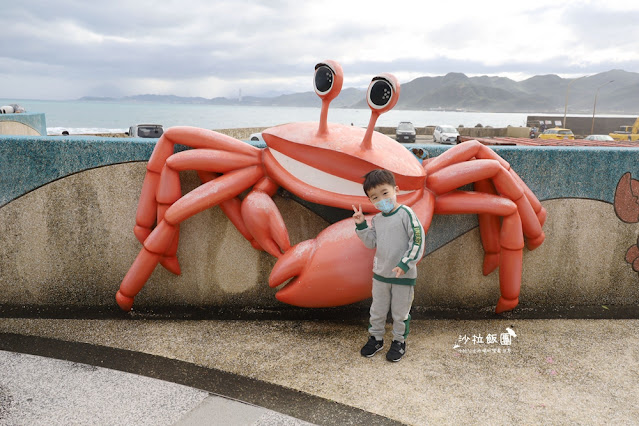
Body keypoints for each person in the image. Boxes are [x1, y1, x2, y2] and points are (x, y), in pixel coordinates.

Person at [352, 169, 425, 362]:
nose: (381, 199)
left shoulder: (406, 213)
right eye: (375, 197)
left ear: (396, 190)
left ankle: (399, 341)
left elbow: (417, 239)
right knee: (377, 310)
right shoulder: (376, 219)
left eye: (385, 193)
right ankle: (376, 339)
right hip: (381, 275)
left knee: (400, 313)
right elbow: (371, 242)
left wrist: (405, 263)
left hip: (403, 276)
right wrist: (361, 225)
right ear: (370, 201)